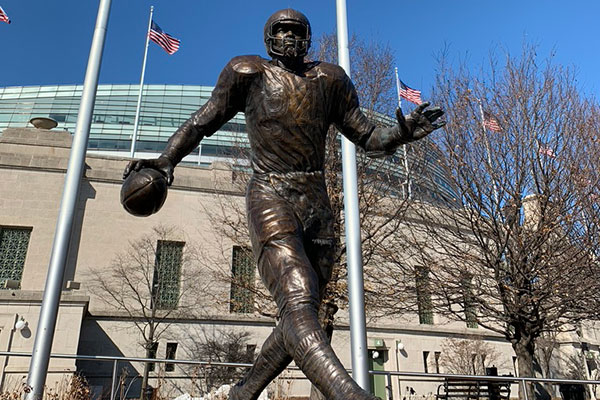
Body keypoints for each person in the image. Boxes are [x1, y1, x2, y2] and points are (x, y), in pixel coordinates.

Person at [124, 9, 445, 400]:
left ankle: (244, 392)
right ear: (268, 37)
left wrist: (400, 133)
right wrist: (167, 160)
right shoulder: (247, 73)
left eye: (297, 31)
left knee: (297, 314)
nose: (290, 37)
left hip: (317, 204)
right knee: (298, 299)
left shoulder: (330, 80)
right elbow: (201, 122)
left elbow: (367, 137)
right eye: (282, 30)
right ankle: (349, 394)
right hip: (270, 192)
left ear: (308, 38)